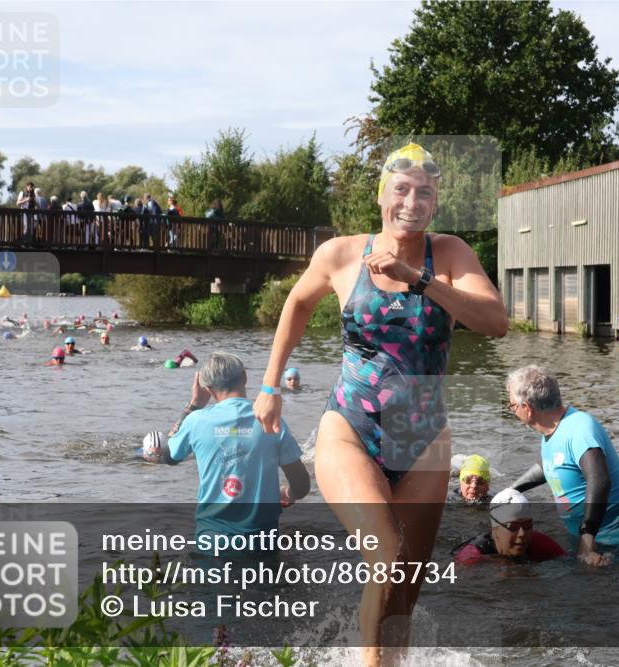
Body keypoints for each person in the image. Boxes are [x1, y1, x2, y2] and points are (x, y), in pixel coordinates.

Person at [253, 142, 508, 664]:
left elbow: (495, 322)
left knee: (405, 592)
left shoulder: (449, 254)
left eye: (425, 193)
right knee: (387, 562)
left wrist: (421, 281)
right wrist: (270, 386)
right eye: (401, 189)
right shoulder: (341, 255)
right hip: (351, 429)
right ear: (381, 196)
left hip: (425, 443)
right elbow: (297, 303)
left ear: (435, 203)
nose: (412, 202)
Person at [141, 353, 311, 546]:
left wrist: (194, 405)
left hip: (212, 540)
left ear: (207, 389)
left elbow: (168, 456)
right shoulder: (271, 419)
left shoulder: (195, 421)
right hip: (262, 541)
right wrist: (288, 494)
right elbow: (302, 486)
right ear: (245, 377)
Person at [505, 365, 619, 567]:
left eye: (512, 406)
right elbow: (551, 465)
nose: (512, 411)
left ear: (527, 408)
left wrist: (587, 538)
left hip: (618, 542)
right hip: (586, 536)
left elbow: (599, 480)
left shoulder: (580, 429)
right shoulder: (553, 429)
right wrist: (511, 490)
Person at [452, 489, 566, 565]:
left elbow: (569, 564)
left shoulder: (540, 542)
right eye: (513, 527)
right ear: (495, 530)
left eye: (527, 525)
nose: (522, 534)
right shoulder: (471, 557)